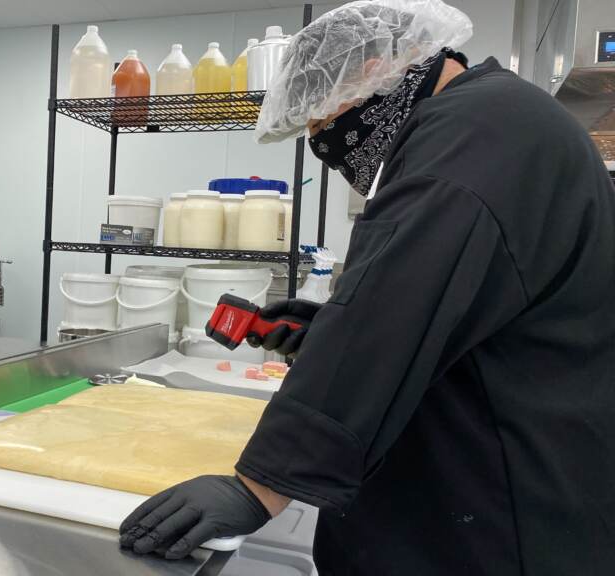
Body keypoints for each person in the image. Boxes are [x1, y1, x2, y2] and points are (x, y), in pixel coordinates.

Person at [120, 1, 615, 573]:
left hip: (497, 514)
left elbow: (392, 319)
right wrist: (325, 330)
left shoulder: (470, 139)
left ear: (375, 67)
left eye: (324, 120)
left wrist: (256, 488)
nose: (325, 144)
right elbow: (447, 304)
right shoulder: (493, 120)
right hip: (499, 471)